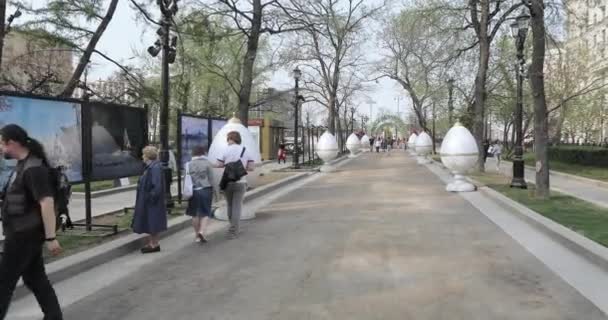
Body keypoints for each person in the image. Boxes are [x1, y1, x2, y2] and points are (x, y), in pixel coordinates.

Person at [0, 124, 63, 320]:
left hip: (23, 235)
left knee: (4, 282)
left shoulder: (33, 168)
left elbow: (46, 202)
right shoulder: (23, 165)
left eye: (1, 144)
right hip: (23, 232)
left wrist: (51, 237)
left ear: (11, 143)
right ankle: (54, 316)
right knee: (35, 278)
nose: (0, 148)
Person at [216, 131, 255, 239]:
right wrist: (241, 168)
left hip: (227, 181)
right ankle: (233, 231)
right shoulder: (245, 150)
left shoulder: (225, 150)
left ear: (229, 139)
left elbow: (219, 164)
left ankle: (232, 226)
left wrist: (227, 165)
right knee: (237, 206)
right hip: (241, 182)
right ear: (239, 139)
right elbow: (251, 167)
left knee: (229, 205)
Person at [132, 146, 167, 253]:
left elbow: (156, 186)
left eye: (144, 155)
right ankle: (153, 243)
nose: (142, 157)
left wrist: (150, 198)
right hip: (149, 200)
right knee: (151, 222)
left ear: (147, 156)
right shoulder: (151, 167)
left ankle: (154, 244)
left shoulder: (155, 168)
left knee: (153, 222)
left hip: (152, 201)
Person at [185, 145, 214, 243]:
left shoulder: (188, 164)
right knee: (205, 213)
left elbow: (186, 179)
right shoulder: (207, 163)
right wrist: (217, 193)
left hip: (194, 191)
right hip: (206, 190)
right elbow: (212, 179)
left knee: (195, 214)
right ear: (204, 153)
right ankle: (202, 231)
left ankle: (197, 235)